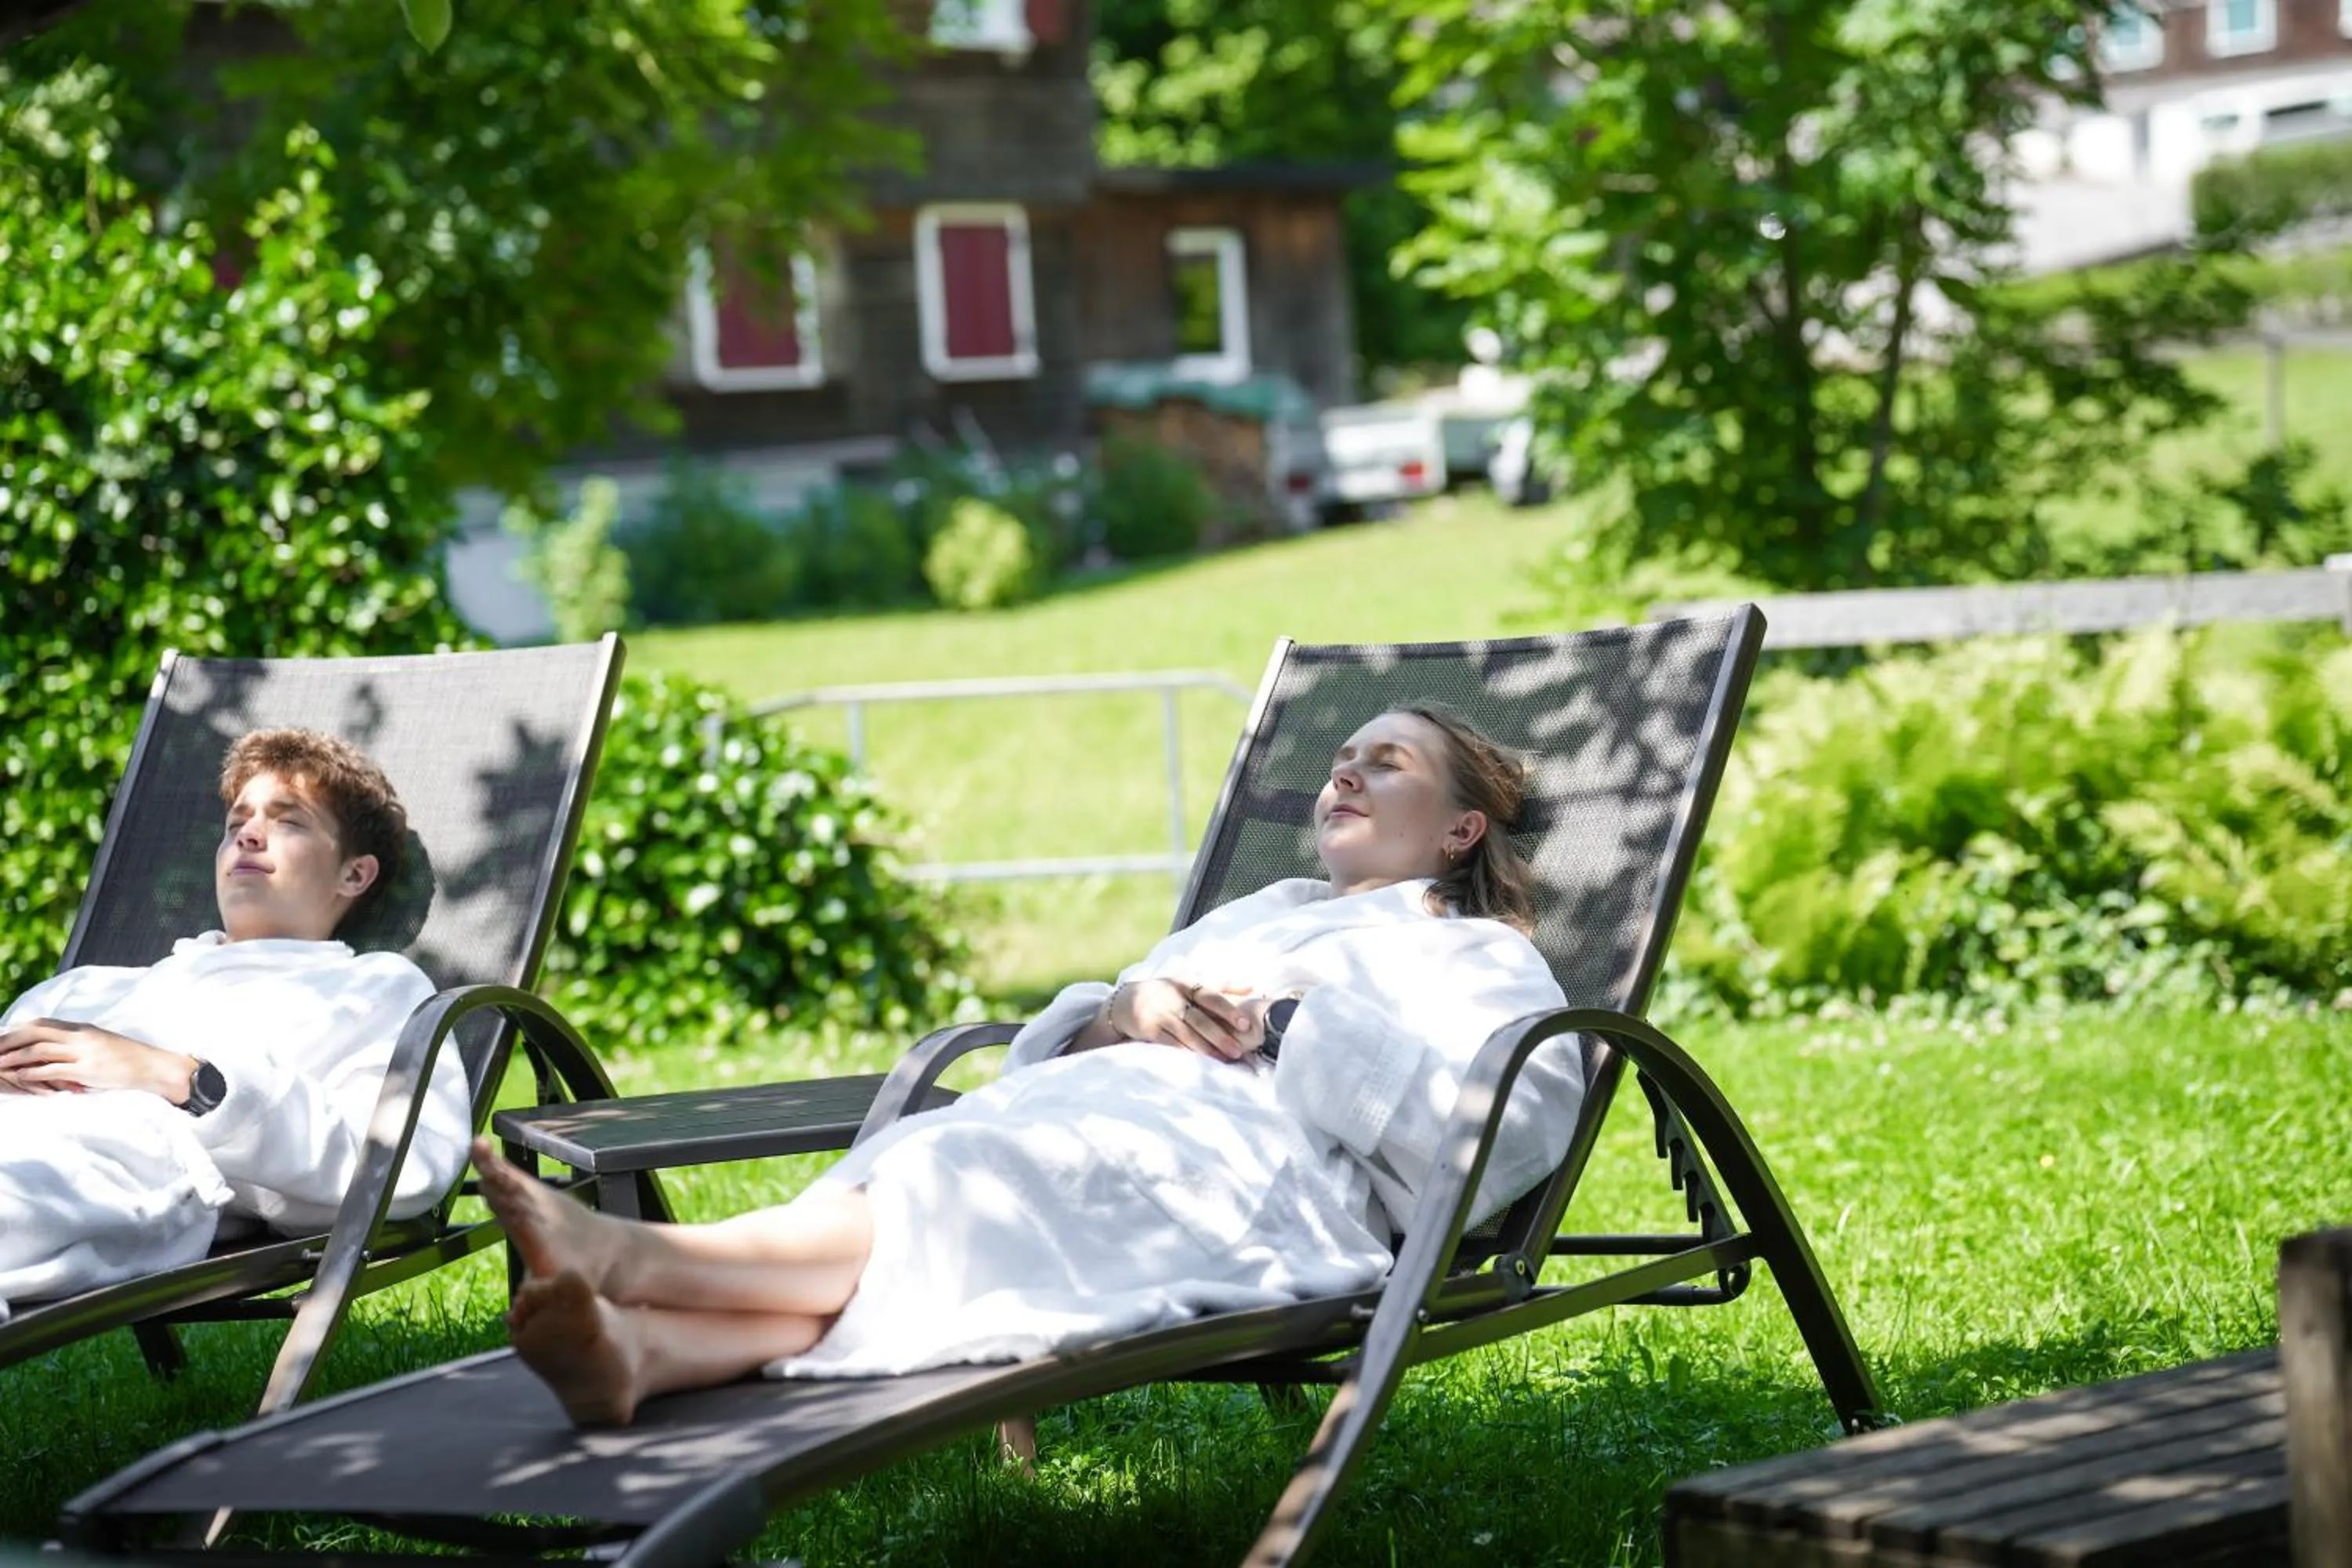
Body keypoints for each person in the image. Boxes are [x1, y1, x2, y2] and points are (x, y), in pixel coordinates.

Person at [474, 704, 1584, 1427]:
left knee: (961, 1188)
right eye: (1339, 762)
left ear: (1460, 832)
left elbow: (1510, 1131)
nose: (1341, 778)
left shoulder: (1476, 956)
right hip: (1102, 1106)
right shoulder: (1268, 907)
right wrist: (1130, 1005)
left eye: (1383, 765)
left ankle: (642, 1255)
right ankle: (642, 1351)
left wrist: (1294, 1024)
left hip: (1248, 1171)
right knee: (942, 1154)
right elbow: (1102, 1024)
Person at [0, 729, 472, 1320]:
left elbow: (405, 1167)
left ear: (353, 876)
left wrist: (185, 1081)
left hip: (126, 1174)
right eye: (235, 823)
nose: (247, 833)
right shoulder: (88, 987)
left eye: (289, 821)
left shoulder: (372, 989)